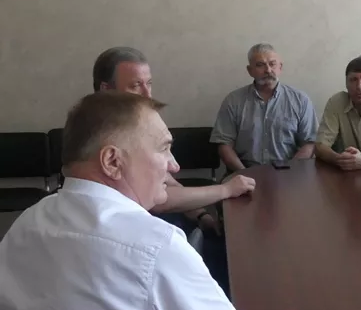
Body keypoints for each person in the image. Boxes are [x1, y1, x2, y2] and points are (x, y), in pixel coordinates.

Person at [0, 92, 262, 310]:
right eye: (164, 149)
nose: (174, 166)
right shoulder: (155, 247)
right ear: (113, 161)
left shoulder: (27, 221)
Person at [93, 46, 253, 296]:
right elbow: (160, 201)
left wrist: (201, 215)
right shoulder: (104, 136)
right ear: (106, 90)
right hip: (132, 245)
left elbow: (169, 180)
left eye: (149, 84)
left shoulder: (141, 123)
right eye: (135, 86)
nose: (147, 94)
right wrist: (225, 190)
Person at [211, 43, 317, 172]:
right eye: (260, 65)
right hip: (242, 173)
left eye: (272, 64)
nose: (268, 70)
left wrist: (289, 173)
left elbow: (309, 143)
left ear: (280, 67)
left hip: (288, 173)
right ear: (250, 70)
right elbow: (224, 145)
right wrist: (246, 174)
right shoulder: (233, 101)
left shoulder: (300, 100)